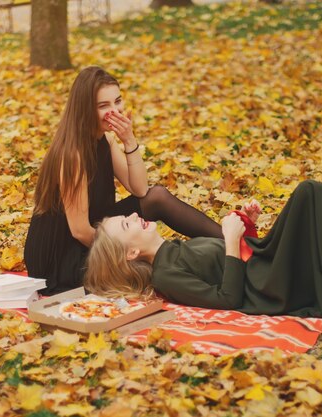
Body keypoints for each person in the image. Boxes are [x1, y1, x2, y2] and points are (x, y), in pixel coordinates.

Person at [83, 180, 322, 322]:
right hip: (275, 287)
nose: (135, 217)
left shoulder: (176, 248)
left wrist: (246, 225)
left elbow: (238, 250)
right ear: (131, 255)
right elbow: (228, 299)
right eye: (126, 225)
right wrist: (229, 245)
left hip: (269, 263)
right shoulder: (167, 275)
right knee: (309, 193)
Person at [24, 66, 222, 294]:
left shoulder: (104, 140)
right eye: (103, 106)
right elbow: (79, 231)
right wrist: (122, 252)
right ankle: (211, 265)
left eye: (117, 101)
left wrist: (129, 141)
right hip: (62, 258)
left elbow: (139, 189)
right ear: (85, 109)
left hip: (98, 232)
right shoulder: (73, 155)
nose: (114, 111)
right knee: (144, 256)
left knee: (156, 197)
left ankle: (236, 245)